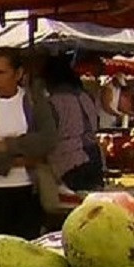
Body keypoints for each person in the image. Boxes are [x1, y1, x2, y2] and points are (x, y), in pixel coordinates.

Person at [0, 48, 57, 241]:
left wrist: (8, 145)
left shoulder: (35, 103)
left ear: (18, 73)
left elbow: (47, 139)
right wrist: (16, 161)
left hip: (28, 192)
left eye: (1, 72)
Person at [42, 54, 105, 192]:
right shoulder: (86, 96)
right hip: (95, 156)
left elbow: (48, 136)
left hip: (70, 162)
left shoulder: (53, 102)